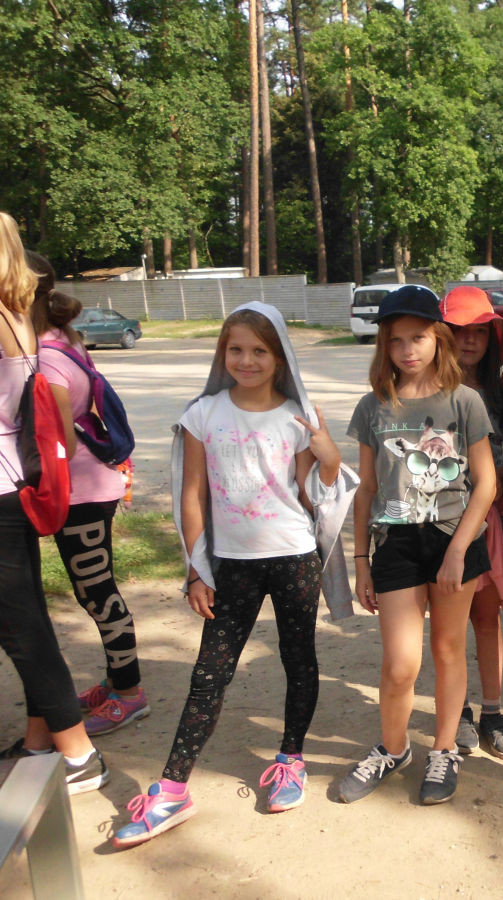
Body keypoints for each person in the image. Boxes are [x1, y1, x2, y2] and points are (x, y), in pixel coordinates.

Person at [113, 302, 353, 847]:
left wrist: (329, 457)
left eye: (259, 351)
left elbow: (314, 496)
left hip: (293, 558)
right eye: (236, 349)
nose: (247, 360)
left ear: (279, 357)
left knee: (298, 659)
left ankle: (291, 759)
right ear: (222, 353)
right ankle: (173, 789)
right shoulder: (204, 413)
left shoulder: (296, 417)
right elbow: (192, 493)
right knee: (209, 673)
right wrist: (197, 569)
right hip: (231, 566)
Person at [338, 285, 496, 806]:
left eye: (419, 337)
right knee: (400, 665)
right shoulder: (373, 406)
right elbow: (366, 489)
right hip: (396, 543)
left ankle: (444, 750)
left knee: (449, 650)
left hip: (455, 539)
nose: (408, 349)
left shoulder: (464, 400)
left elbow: (486, 484)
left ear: (439, 339)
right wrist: (361, 560)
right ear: (383, 345)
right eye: (396, 340)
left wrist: (458, 551)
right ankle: (393, 748)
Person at [0, 213, 109, 793]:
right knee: (26, 621)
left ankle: (79, 753)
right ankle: (42, 738)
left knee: (21, 628)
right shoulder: (16, 317)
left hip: (2, 490)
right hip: (13, 485)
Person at [30, 286, 148, 736]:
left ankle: (130, 694)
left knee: (98, 593)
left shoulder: (46, 358)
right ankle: (117, 681)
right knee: (94, 590)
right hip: (90, 484)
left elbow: (61, 434)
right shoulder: (64, 339)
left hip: (81, 491)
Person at [440, 286, 503, 759]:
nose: (469, 339)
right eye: (458, 330)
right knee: (450, 627)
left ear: (493, 337)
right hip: (444, 522)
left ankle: (492, 712)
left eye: (480, 331)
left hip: (491, 520)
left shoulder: (500, 390)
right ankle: (459, 711)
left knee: (487, 619)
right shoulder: (428, 390)